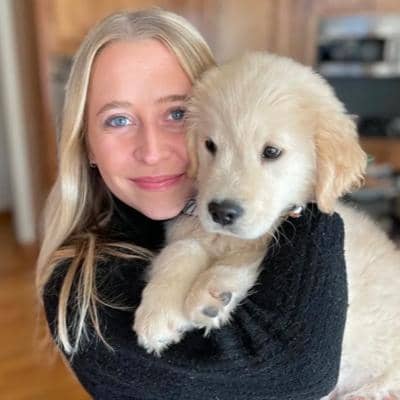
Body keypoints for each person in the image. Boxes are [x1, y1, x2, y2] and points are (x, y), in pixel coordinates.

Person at [36, 9, 348, 400]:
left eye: (177, 113)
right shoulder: (80, 291)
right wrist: (314, 216)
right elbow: (301, 370)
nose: (152, 151)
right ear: (87, 145)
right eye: (118, 120)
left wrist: (311, 194)